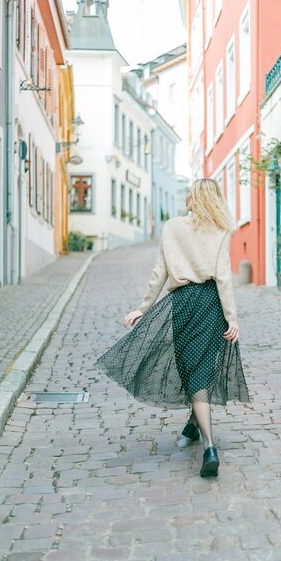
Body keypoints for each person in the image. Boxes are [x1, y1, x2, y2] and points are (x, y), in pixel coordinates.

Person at [96, 179, 250, 477]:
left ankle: (209, 446)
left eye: (190, 190)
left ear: (196, 197)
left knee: (193, 373)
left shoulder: (172, 228)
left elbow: (159, 273)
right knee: (202, 370)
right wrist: (231, 317)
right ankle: (194, 426)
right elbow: (223, 277)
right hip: (211, 304)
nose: (187, 194)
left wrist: (143, 308)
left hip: (183, 304)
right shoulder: (221, 231)